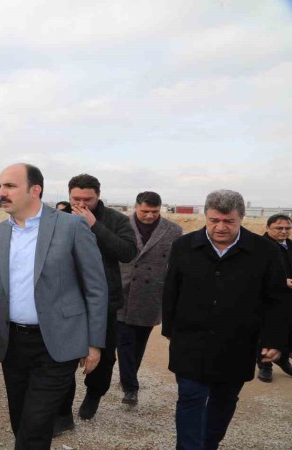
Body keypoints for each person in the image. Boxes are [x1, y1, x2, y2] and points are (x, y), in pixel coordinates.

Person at [0, 163, 108, 450]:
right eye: (0, 186)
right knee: (21, 420)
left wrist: (94, 342)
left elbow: (96, 287)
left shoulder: (71, 227)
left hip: (57, 344)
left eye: (10, 186)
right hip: (12, 344)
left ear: (35, 190)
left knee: (35, 426)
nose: (1, 192)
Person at [162, 190, 288, 450]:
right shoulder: (184, 247)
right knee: (190, 398)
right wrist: (170, 329)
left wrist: (274, 340)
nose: (220, 227)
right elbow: (171, 290)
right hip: (190, 341)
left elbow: (276, 299)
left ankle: (209, 444)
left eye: (229, 221)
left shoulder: (264, 251)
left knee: (224, 401)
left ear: (241, 217)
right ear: (206, 216)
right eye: (214, 220)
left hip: (238, 344)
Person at [55, 174, 137, 431]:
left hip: (105, 301)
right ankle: (62, 412)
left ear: (98, 196)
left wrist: (94, 225)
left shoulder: (116, 219)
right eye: (76, 199)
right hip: (66, 299)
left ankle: (94, 395)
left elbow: (127, 252)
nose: (81, 204)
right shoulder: (57, 218)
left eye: (87, 199)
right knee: (62, 357)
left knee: (103, 355)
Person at [116, 192, 182, 406]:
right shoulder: (120, 225)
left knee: (139, 342)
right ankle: (131, 387)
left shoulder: (173, 230)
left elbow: (177, 266)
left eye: (155, 211)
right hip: (122, 292)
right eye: (145, 211)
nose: (150, 215)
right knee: (124, 341)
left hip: (151, 294)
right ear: (135, 207)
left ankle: (128, 377)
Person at [256, 213, 292, 381]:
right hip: (267, 298)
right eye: (279, 228)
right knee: (266, 332)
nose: (284, 231)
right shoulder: (260, 247)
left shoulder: (290, 245)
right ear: (268, 227)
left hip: (288, 298)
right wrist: (282, 281)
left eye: (287, 228)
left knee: (287, 330)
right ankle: (265, 365)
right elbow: (254, 272)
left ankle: (282, 359)